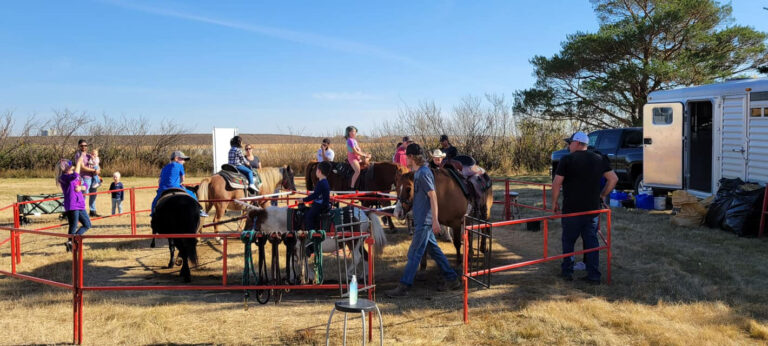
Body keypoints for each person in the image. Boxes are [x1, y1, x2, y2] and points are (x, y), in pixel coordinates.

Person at [386, 143, 460, 297]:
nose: (405, 159)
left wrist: (434, 220)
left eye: (407, 157)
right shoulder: (418, 172)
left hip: (425, 222)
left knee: (414, 253)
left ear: (412, 157)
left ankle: (404, 286)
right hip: (422, 220)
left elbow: (432, 195)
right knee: (435, 251)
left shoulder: (424, 173)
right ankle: (452, 279)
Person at [551, 131, 618, 285]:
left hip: (571, 210)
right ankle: (594, 275)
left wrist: (554, 202)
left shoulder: (566, 159)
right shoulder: (599, 158)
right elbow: (613, 179)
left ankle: (567, 272)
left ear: (577, 143)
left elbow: (556, 183)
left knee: (568, 241)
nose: (568, 146)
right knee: (592, 242)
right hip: (592, 210)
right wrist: (602, 196)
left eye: (570, 143)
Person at [150, 151, 208, 217]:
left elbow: (159, 181)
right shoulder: (179, 165)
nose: (184, 161)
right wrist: (180, 183)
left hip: (162, 189)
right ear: (176, 158)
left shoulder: (164, 168)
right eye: (182, 159)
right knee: (192, 194)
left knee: (155, 201)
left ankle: (153, 213)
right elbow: (183, 179)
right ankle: (199, 210)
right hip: (175, 187)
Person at [56, 159, 91, 252]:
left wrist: (81, 187)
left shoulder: (75, 175)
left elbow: (85, 185)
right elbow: (74, 175)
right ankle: (71, 244)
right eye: (69, 166)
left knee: (87, 224)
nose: (71, 166)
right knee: (73, 225)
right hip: (71, 205)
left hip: (80, 203)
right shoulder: (63, 177)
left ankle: (72, 241)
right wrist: (79, 163)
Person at [73, 139, 101, 217]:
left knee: (93, 194)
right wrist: (94, 170)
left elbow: (95, 162)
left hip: (93, 177)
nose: (84, 147)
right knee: (84, 195)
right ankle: (81, 212)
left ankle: (92, 211)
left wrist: (98, 170)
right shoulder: (78, 155)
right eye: (82, 145)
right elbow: (81, 167)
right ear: (79, 146)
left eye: (85, 145)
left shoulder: (89, 155)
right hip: (85, 177)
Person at [302, 161, 331, 230]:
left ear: (319, 171)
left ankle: (311, 233)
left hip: (321, 205)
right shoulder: (324, 181)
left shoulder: (321, 183)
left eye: (317, 169)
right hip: (323, 203)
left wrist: (303, 200)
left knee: (309, 216)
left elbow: (314, 195)